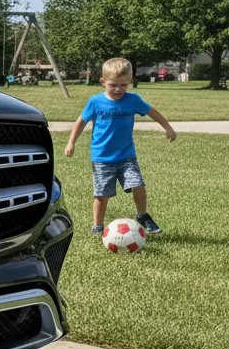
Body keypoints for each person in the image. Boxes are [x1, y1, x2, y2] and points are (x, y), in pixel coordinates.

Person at [64, 57, 177, 235]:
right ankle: (97, 226)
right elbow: (81, 122)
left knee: (138, 185)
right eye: (113, 85)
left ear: (129, 82)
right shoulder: (95, 102)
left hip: (127, 156)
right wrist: (71, 142)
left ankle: (142, 215)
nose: (118, 89)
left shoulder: (133, 100)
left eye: (123, 85)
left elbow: (152, 112)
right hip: (102, 158)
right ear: (103, 82)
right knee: (102, 196)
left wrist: (168, 128)